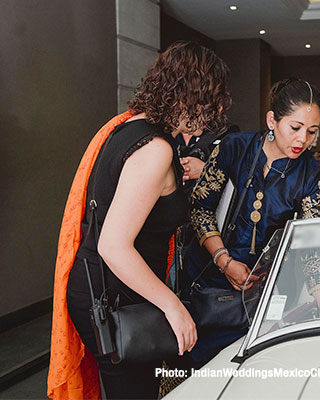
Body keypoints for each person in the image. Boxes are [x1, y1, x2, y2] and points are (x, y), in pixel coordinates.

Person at [47, 41, 231, 400]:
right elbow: (113, 245)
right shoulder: (156, 149)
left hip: (100, 287)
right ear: (190, 97)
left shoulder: (127, 128)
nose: (211, 117)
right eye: (210, 104)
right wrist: (174, 307)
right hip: (112, 295)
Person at [186, 77, 320, 368]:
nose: (303, 140)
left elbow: (314, 252)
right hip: (208, 290)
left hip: (263, 299)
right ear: (272, 120)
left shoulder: (311, 177)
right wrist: (223, 259)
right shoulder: (233, 148)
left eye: (312, 132)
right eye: (295, 128)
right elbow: (199, 208)